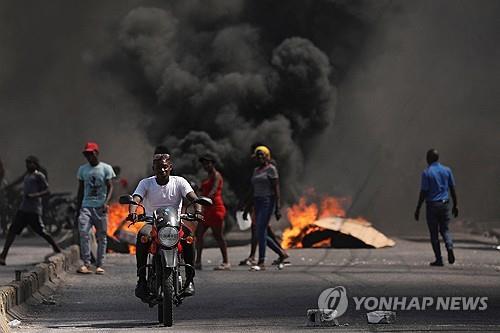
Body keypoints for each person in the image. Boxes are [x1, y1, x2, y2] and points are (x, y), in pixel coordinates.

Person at [129, 153, 203, 301]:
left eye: (164, 167)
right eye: (158, 168)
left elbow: (193, 197)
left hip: (175, 223)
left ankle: (189, 280)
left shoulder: (180, 182)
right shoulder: (146, 183)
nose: (162, 170)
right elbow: (136, 198)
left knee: (189, 238)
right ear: (153, 169)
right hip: (152, 223)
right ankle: (141, 280)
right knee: (143, 237)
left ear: (170, 167)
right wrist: (132, 212)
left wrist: (198, 211)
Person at [0, 156, 61, 265]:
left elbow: (47, 191)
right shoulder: (27, 175)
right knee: (12, 231)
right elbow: (19, 180)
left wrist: (35, 195)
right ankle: (3, 255)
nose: (28, 165)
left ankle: (56, 248)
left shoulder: (39, 176)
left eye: (30, 163)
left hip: (34, 210)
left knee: (42, 231)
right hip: (23, 208)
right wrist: (8, 187)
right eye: (27, 163)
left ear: (35, 164)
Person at [76, 142, 115, 274]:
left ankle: (100, 264)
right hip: (86, 206)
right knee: (83, 233)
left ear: (96, 153)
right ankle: (86, 263)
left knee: (102, 236)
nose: (89, 156)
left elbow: (110, 187)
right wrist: (77, 208)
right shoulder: (82, 169)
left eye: (91, 153)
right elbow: (80, 190)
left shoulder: (106, 168)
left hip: (100, 207)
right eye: (86, 154)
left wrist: (106, 202)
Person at [414, 149, 458, 266]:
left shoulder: (427, 172)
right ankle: (449, 247)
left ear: (428, 159)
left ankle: (439, 259)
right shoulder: (447, 170)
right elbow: (452, 189)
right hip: (444, 203)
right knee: (445, 229)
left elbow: (423, 192)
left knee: (434, 233)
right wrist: (455, 205)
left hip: (432, 205)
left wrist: (418, 208)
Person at [243, 146, 283, 271]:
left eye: (262, 155)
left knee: (260, 230)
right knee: (260, 232)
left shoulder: (271, 170)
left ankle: (261, 262)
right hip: (257, 202)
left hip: (267, 201)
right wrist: (246, 209)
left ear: (267, 156)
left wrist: (277, 207)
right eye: (258, 155)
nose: (260, 157)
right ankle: (281, 253)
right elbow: (253, 190)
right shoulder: (256, 171)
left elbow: (276, 190)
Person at [195, 154, 230, 271]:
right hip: (207, 209)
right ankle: (197, 262)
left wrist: (204, 198)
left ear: (213, 164)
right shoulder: (208, 176)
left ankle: (226, 262)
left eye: (207, 163)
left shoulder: (216, 175)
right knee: (198, 235)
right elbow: (203, 190)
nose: (205, 165)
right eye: (204, 163)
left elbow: (213, 191)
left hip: (215, 209)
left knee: (218, 236)